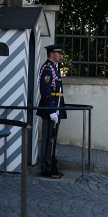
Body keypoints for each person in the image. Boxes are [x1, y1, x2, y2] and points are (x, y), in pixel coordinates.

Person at [37, 43, 67, 178]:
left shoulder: (54, 68)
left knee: (52, 139)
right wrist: (51, 111)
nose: (60, 55)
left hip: (55, 109)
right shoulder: (48, 69)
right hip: (51, 110)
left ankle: (50, 166)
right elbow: (46, 92)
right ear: (51, 54)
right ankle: (45, 168)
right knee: (47, 139)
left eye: (60, 53)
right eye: (57, 53)